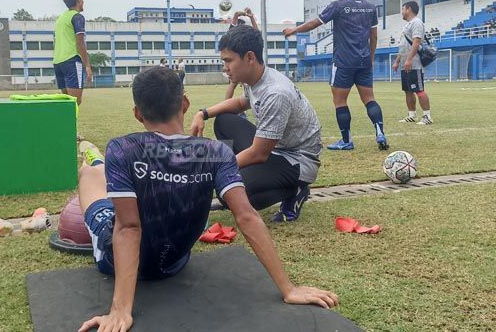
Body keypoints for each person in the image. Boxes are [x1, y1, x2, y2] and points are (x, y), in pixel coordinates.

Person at [77, 67, 338, 332]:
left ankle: (95, 162)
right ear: (185, 103)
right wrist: (288, 288)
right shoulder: (215, 152)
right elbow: (246, 216)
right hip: (176, 262)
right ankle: (99, 166)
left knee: (88, 174)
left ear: (137, 114)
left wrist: (121, 311)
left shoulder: (122, 148)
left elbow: (128, 227)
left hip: (115, 261)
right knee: (111, 183)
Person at [190, 26, 322, 222]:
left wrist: (216, 169)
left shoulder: (275, 92)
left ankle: (295, 190)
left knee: (229, 192)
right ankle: (235, 170)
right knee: (224, 120)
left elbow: (259, 153)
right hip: (274, 149)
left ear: (249, 57)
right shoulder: (256, 78)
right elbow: (241, 103)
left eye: (228, 61)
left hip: (297, 160)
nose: (224, 67)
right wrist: (203, 113)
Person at [283, 0, 388, 151]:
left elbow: (315, 23)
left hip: (343, 61)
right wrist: (370, 58)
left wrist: (294, 30)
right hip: (363, 61)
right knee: (369, 98)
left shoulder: (337, 6)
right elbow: (374, 36)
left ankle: (346, 140)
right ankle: (380, 132)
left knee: (340, 101)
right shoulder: (370, 7)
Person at [52, 0, 93, 107]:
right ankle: (69, 126)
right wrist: (87, 66)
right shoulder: (77, 17)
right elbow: (80, 42)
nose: (83, 1)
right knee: (74, 102)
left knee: (66, 104)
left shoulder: (60, 19)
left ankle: (63, 125)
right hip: (71, 61)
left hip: (58, 62)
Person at [394, 1, 432, 125]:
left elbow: (416, 42)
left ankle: (427, 116)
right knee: (408, 90)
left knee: (419, 90)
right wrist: (397, 61)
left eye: (403, 9)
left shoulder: (417, 23)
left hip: (414, 64)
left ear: (409, 9)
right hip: (405, 64)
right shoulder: (407, 25)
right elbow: (403, 46)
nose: (402, 12)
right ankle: (412, 115)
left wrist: (409, 60)